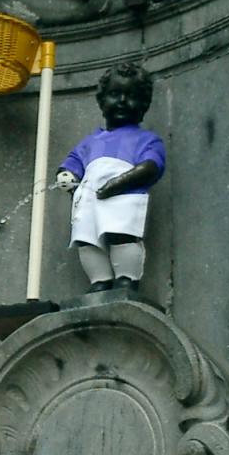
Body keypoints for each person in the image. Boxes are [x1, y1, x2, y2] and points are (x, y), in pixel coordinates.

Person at [55, 62, 165, 292]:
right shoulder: (91, 141)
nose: (122, 101)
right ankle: (100, 280)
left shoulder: (145, 139)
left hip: (123, 195)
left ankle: (127, 277)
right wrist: (67, 177)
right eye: (115, 94)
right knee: (86, 238)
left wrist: (120, 183)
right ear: (101, 100)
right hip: (89, 197)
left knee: (121, 234)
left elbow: (151, 166)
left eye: (131, 96)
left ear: (144, 103)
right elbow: (72, 163)